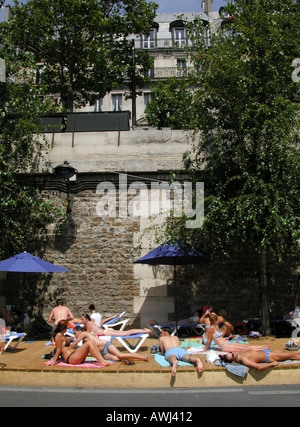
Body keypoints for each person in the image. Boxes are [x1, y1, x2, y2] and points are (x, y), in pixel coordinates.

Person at [47, 320, 111, 366]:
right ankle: (101, 361)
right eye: (67, 326)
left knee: (91, 341)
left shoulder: (62, 335)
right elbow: (58, 349)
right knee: (88, 343)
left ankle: (101, 360)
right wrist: (54, 361)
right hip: (71, 358)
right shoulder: (59, 335)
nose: (68, 328)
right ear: (64, 327)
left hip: (74, 355)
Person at [72, 326, 149, 363]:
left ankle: (140, 356)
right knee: (116, 359)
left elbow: (74, 344)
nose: (75, 335)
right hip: (102, 353)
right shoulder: (83, 341)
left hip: (106, 345)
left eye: (75, 333)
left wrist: (66, 348)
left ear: (79, 331)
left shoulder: (84, 333)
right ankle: (128, 358)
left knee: (120, 355)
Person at [202, 313, 271, 353]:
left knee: (244, 346)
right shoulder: (211, 329)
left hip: (227, 343)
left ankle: (264, 346)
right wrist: (205, 350)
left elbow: (222, 335)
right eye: (217, 320)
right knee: (243, 349)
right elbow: (209, 340)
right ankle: (262, 349)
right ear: (214, 321)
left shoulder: (216, 326)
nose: (218, 321)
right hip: (224, 346)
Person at [220, 348, 300, 371]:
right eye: (233, 355)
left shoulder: (239, 354)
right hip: (268, 357)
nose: (235, 353)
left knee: (291, 353)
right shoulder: (244, 360)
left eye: (232, 352)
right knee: (293, 355)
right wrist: (271, 364)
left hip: (267, 352)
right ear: (233, 360)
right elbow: (258, 367)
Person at [80, 313, 153, 337]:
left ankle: (144, 330)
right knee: (125, 333)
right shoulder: (89, 323)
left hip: (106, 333)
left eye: (82, 319)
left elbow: (88, 334)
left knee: (125, 333)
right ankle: (143, 330)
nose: (81, 321)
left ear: (86, 319)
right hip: (105, 332)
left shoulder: (89, 323)